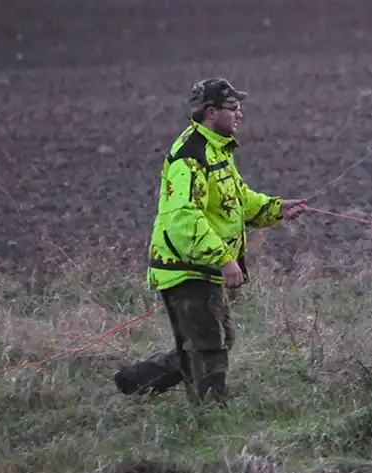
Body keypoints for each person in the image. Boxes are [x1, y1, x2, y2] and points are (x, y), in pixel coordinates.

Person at [113, 77, 309, 406]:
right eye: (233, 108)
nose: (240, 114)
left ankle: (137, 380)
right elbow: (184, 218)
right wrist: (224, 259)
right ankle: (211, 414)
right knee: (209, 345)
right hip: (187, 267)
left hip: (200, 265)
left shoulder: (216, 149)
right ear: (210, 112)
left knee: (212, 340)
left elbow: (235, 199)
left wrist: (274, 208)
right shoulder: (190, 157)